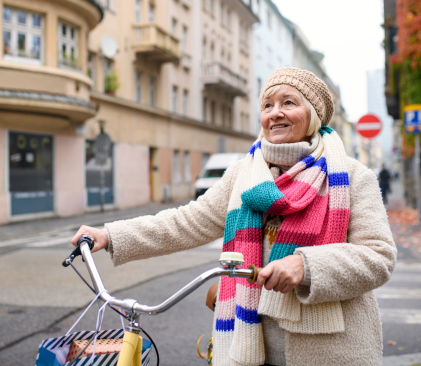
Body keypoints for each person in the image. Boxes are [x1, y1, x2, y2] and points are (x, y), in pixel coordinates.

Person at [71, 68, 397, 366]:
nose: (275, 113)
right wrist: (111, 235)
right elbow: (187, 221)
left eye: (288, 102)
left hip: (330, 352)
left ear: (312, 114)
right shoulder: (244, 174)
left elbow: (378, 256)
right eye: (267, 105)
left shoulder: (352, 177)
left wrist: (306, 266)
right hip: (249, 349)